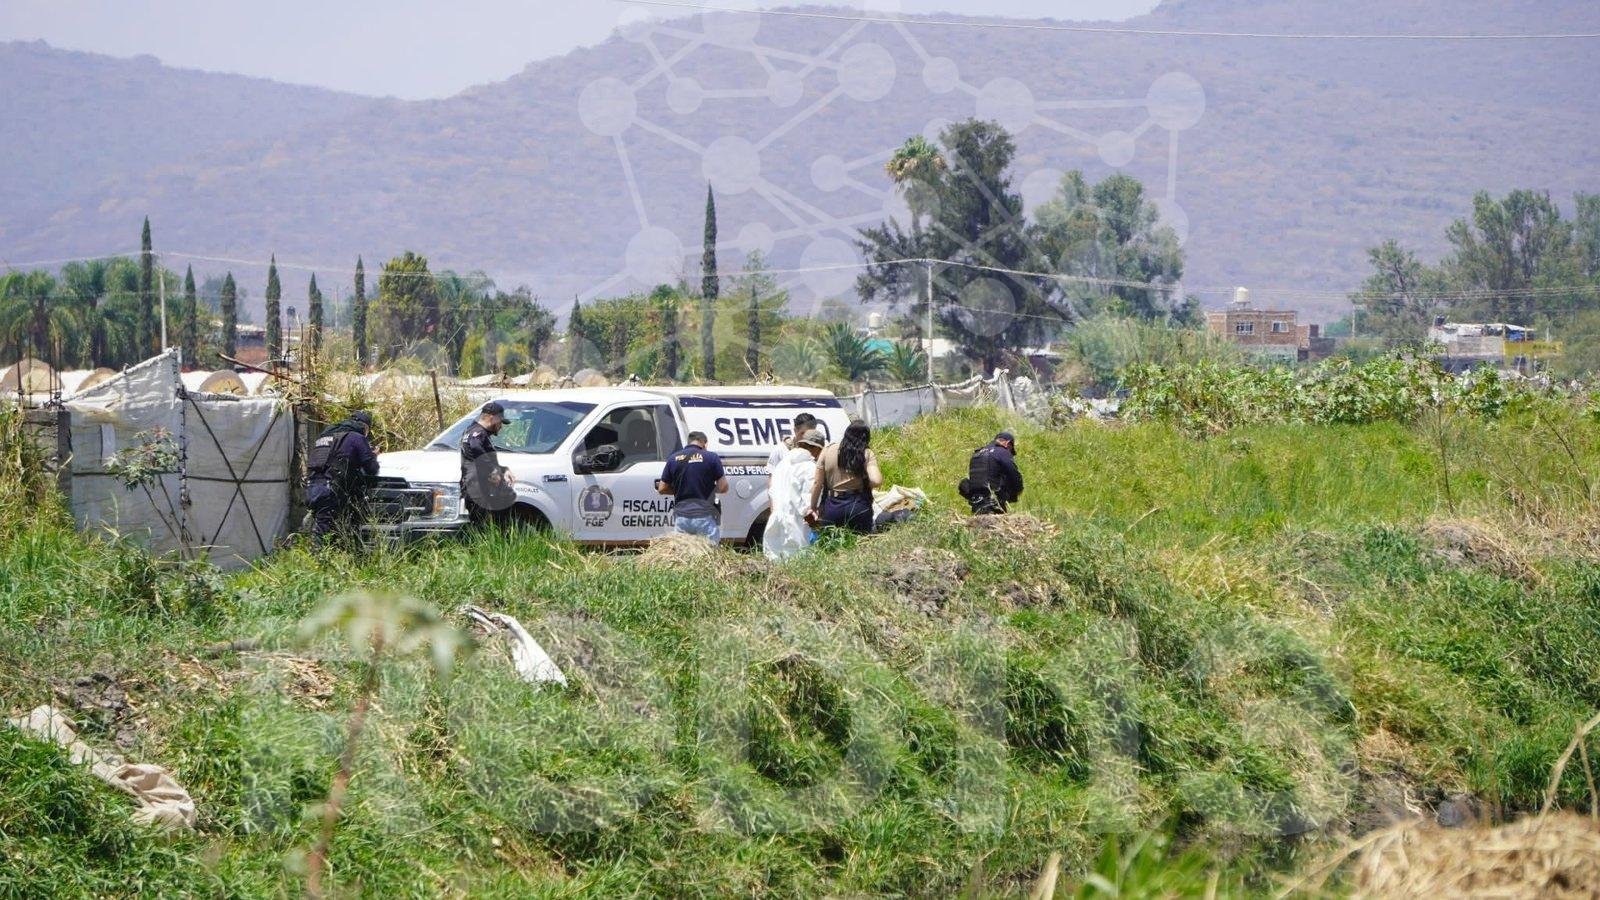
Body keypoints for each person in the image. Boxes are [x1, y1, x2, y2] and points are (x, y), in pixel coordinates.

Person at [306, 410, 379, 547]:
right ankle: (318, 564)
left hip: (312, 488)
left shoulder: (324, 436)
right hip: (331, 491)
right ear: (365, 427)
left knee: (323, 528)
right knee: (324, 537)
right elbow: (372, 468)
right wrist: (373, 455)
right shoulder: (356, 437)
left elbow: (333, 459)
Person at [807, 419, 882, 534]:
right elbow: (876, 481)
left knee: (832, 547)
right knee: (861, 546)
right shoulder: (866, 453)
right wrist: (863, 483)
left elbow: (817, 483)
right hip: (858, 506)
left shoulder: (827, 450)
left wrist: (813, 507)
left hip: (833, 507)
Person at [763, 428, 826, 562]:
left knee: (776, 571)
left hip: (774, 523)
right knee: (798, 572)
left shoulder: (781, 465)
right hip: (796, 528)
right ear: (816, 449)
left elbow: (772, 491)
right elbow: (808, 504)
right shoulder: (809, 467)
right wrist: (815, 521)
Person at [657, 431, 728, 543]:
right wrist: (709, 489)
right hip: (704, 516)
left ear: (689, 442)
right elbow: (723, 487)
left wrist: (680, 489)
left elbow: (662, 488)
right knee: (709, 554)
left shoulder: (673, 458)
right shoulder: (711, 457)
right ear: (704, 443)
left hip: (681, 517)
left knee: (684, 555)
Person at [461, 401, 517, 528]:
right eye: (500, 422)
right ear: (493, 417)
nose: (501, 426)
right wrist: (493, 472)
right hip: (478, 490)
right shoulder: (478, 433)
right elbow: (476, 448)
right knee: (482, 531)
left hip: (475, 489)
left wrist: (503, 470)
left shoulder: (471, 430)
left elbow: (477, 460)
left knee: (487, 529)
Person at [959, 431, 1023, 514]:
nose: (1009, 451)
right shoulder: (1002, 451)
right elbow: (1013, 472)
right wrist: (1018, 490)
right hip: (993, 501)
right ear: (1008, 443)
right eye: (1011, 449)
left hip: (976, 500)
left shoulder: (977, 453)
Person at [767, 412, 819, 483]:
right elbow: (772, 479)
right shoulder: (781, 450)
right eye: (803, 433)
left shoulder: (819, 451)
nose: (807, 437)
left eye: (811, 433)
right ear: (795, 430)